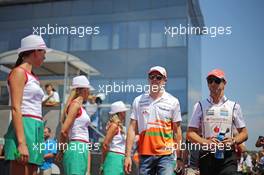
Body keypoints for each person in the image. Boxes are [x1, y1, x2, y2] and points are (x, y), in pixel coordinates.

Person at [3, 34, 51, 175]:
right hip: (24, 126)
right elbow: (16, 108)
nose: (45, 57)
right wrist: (22, 143)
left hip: (36, 127)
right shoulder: (18, 72)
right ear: (36, 51)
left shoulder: (33, 76)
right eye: (44, 53)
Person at [187, 68, 248, 175]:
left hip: (228, 156)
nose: (213, 83)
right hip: (207, 156)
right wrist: (206, 142)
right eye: (210, 81)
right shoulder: (199, 105)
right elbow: (190, 133)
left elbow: (244, 133)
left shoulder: (234, 106)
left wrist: (233, 141)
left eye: (216, 80)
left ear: (224, 83)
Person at [124, 66, 183, 175]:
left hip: (166, 155)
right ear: (148, 79)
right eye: (151, 77)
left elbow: (177, 131)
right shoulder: (138, 100)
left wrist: (179, 157)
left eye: (158, 77)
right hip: (144, 154)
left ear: (165, 80)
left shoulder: (173, 101)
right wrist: (127, 156)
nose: (154, 80)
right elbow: (132, 128)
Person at [57, 75, 91, 175]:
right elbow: (64, 131)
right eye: (88, 90)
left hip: (80, 148)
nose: (89, 92)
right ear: (83, 90)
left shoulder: (78, 106)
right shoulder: (75, 105)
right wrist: (61, 150)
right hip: (77, 148)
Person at [101, 101, 129, 175]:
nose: (125, 113)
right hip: (114, 159)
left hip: (119, 159)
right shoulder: (114, 126)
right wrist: (103, 163)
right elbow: (105, 144)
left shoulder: (119, 127)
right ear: (120, 113)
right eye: (124, 111)